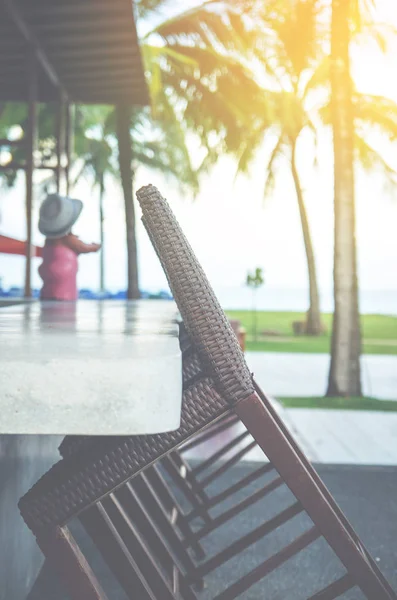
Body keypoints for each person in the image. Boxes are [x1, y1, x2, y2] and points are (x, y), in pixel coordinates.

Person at [38, 193, 100, 301]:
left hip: (48, 293)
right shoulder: (68, 240)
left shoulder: (48, 241)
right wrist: (95, 245)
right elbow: (85, 248)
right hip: (63, 295)